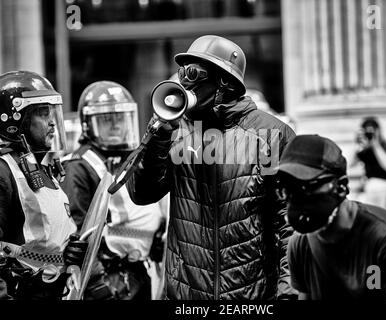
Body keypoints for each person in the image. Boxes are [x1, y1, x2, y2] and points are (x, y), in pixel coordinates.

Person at [127, 35, 297, 299]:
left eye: (195, 73)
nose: (185, 81)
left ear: (225, 82)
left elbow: (288, 225)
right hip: (187, 294)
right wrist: (157, 139)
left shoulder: (270, 134)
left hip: (252, 295)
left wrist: (288, 292)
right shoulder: (176, 131)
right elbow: (142, 193)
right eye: (183, 72)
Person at [276, 134, 386, 300]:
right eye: (287, 189)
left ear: (341, 187)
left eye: (307, 187)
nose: (295, 197)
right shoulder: (301, 245)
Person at [61, 81, 168, 300]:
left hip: (140, 270)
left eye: (120, 118)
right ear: (88, 124)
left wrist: (157, 235)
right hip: (108, 277)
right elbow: (77, 235)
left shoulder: (135, 156)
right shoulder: (78, 167)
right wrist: (96, 284)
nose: (116, 126)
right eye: (107, 119)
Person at [0, 71, 86, 300]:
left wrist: (68, 253)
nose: (52, 122)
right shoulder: (4, 171)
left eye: (51, 113)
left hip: (52, 291)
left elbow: (44, 240)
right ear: (17, 120)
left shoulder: (43, 169)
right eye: (42, 113)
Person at [351, 117, 386, 217]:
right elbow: (350, 164)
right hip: (372, 191)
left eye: (372, 131)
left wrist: (376, 145)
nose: (370, 135)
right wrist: (357, 144)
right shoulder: (364, 150)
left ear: (378, 131)